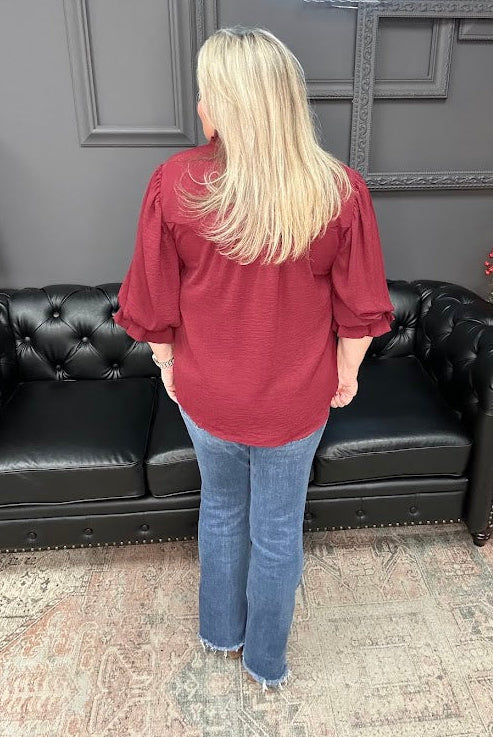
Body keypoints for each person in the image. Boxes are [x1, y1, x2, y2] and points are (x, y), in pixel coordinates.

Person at [113, 26, 395, 692]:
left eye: (205, 94)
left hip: (208, 390)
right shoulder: (337, 188)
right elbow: (361, 307)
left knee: (220, 509)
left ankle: (220, 632)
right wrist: (346, 374)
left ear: (225, 102)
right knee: (276, 528)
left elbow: (152, 298)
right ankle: (266, 660)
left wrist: (167, 365)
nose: (200, 107)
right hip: (296, 396)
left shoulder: (175, 182)